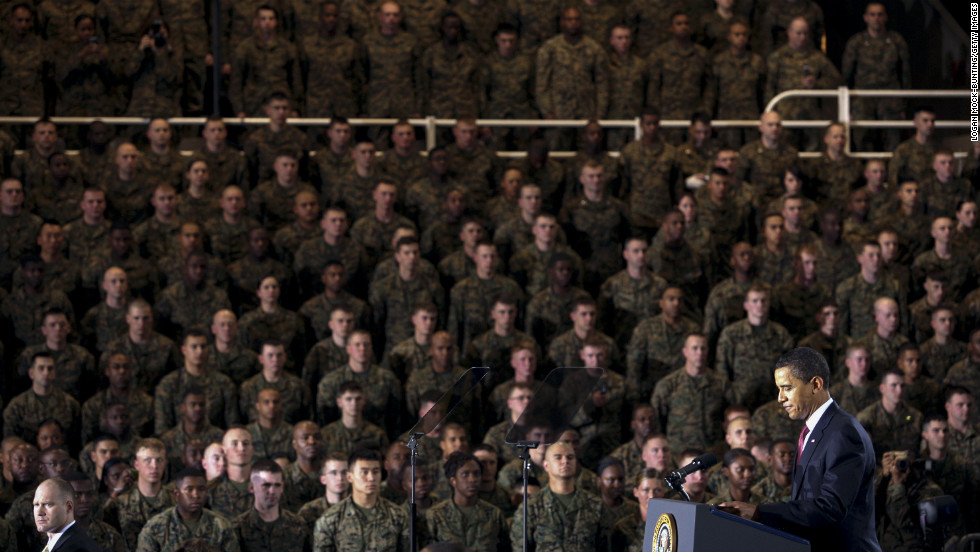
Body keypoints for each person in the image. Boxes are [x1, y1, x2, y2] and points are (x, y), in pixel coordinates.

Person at [721, 347, 880, 552]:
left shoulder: (843, 432)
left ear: (815, 384)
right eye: (779, 389)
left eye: (787, 388)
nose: (780, 397)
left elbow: (830, 508)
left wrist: (760, 512)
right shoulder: (815, 431)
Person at [313, 448, 410, 550]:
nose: (371, 478)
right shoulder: (330, 520)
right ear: (350, 477)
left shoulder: (398, 516)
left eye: (375, 472)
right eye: (364, 472)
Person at [137, 468, 240, 551]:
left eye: (201, 489)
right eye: (189, 490)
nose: (196, 495)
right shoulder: (155, 528)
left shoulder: (221, 526)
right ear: (176, 494)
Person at [233, 459, 310, 552]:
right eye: (266, 485)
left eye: (277, 485)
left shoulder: (298, 525)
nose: (272, 491)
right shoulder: (238, 529)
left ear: (282, 487)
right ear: (252, 487)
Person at [33, 478, 101, 552]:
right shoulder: (59, 543)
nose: (39, 512)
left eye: (48, 504)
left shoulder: (78, 548)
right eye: (36, 504)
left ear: (68, 507)